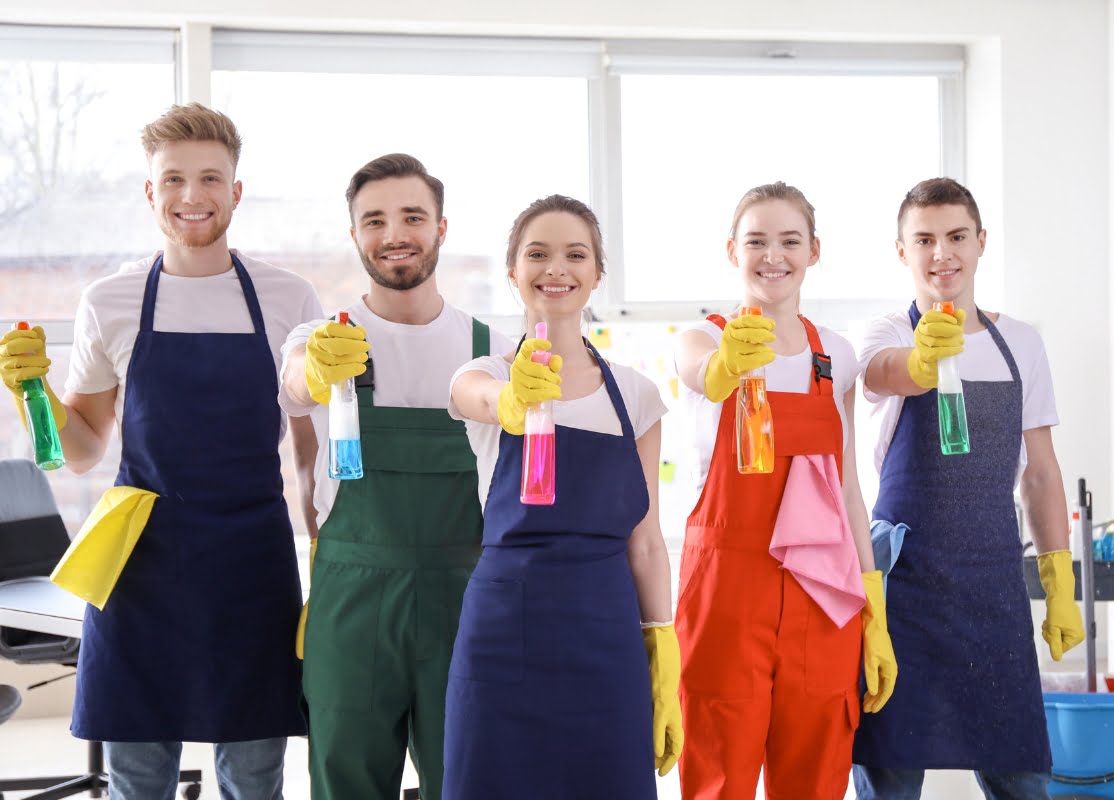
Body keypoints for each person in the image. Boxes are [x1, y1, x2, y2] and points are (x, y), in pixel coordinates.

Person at [0, 103, 320, 798]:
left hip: (253, 561)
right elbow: (82, 452)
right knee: (137, 776)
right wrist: (36, 391)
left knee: (255, 773)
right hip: (139, 562)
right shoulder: (109, 301)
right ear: (151, 193)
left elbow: (308, 447)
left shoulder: (289, 297)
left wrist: (325, 546)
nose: (192, 196)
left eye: (211, 178)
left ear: (236, 191)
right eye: (173, 179)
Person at [280, 153, 512, 800]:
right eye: (374, 220)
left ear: (442, 228)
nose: (394, 234)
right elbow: (297, 381)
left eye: (413, 215)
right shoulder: (321, 338)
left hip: (467, 599)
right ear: (354, 235)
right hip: (352, 599)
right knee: (345, 779)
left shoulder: (494, 352)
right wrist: (321, 371)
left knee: (468, 779)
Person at [443, 194, 682, 799]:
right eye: (537, 254)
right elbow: (470, 395)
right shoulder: (486, 375)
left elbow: (647, 541)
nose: (557, 268)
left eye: (575, 255)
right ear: (513, 273)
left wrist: (662, 639)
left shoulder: (636, 396)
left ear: (597, 275)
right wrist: (511, 403)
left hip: (606, 638)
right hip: (502, 639)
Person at [851, 177, 1084, 799]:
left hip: (992, 589)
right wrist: (922, 363)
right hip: (903, 590)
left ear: (981, 243)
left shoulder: (1021, 345)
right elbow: (881, 375)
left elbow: (1040, 472)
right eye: (923, 239)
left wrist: (1060, 581)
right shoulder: (885, 335)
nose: (941, 253)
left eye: (956, 236)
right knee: (889, 780)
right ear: (902, 250)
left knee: (1022, 780)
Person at [672, 181, 897, 800]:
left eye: (789, 241)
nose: (773, 256)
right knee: (720, 773)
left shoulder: (837, 355)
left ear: (814, 251)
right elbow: (699, 373)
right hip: (726, 594)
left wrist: (871, 604)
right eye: (757, 241)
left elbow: (849, 488)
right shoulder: (701, 339)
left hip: (821, 596)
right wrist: (727, 365)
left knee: (817, 774)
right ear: (731, 250)